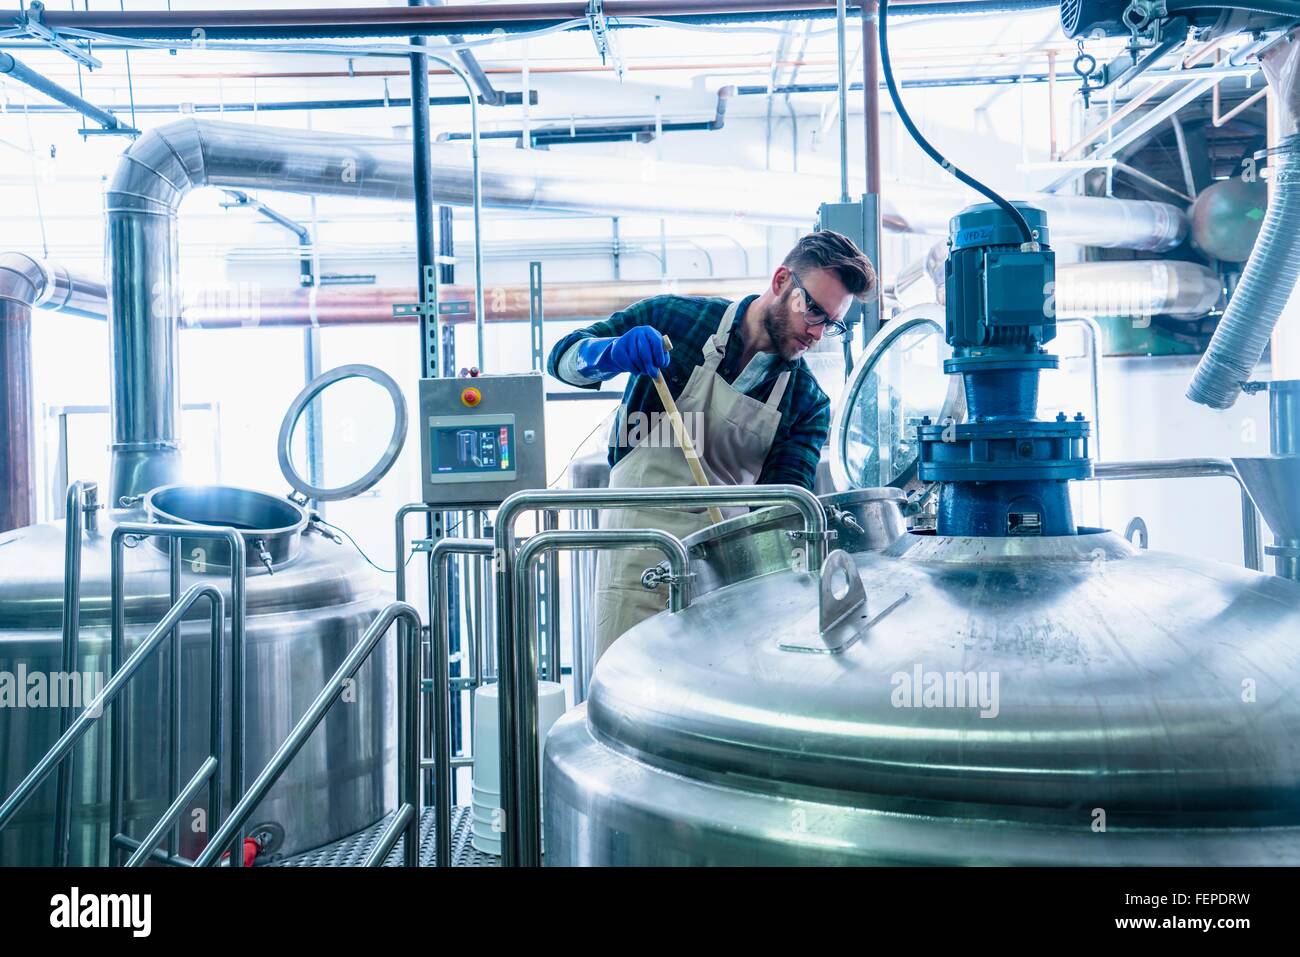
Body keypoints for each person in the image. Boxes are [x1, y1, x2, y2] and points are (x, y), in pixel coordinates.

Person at [547, 230, 877, 660]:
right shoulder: (675, 320)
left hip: (722, 577)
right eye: (813, 311)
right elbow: (563, 358)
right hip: (636, 557)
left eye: (831, 323)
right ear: (781, 282)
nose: (817, 334)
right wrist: (607, 353)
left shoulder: (806, 403)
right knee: (626, 692)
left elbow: (780, 513)